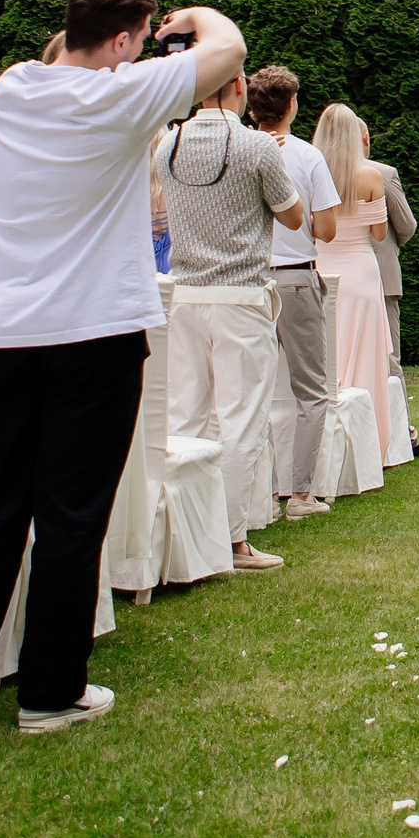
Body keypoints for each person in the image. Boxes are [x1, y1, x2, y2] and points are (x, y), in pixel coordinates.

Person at [0, 0, 243, 734]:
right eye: (140, 40)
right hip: (94, 334)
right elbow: (228, 46)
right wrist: (193, 16)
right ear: (119, 40)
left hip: (3, 331)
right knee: (72, 511)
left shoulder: (12, 86)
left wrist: (150, 35)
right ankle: (49, 690)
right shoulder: (119, 97)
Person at [152, 57, 298, 569]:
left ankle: (179, 538)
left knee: (184, 417)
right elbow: (294, 214)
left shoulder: (166, 143)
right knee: (240, 422)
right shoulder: (259, 146)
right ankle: (231, 539)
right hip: (239, 297)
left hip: (185, 296)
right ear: (238, 85)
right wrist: (274, 163)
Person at [248, 65, 342, 521]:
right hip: (295, 277)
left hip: (248, 281)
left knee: (252, 390)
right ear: (291, 105)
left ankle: (260, 491)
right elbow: (325, 229)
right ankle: (301, 495)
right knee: (311, 389)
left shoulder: (240, 152)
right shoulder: (306, 157)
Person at [313, 102, 405, 459]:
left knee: (323, 350)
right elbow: (380, 234)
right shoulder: (370, 177)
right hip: (361, 272)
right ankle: (368, 448)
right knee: (366, 358)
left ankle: (322, 443)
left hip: (322, 268)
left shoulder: (311, 172)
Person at [360, 130, 419, 455]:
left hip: (333, 276)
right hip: (379, 273)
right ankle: (403, 437)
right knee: (389, 359)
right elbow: (407, 224)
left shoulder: (322, 172)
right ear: (363, 139)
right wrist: (386, 247)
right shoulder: (383, 174)